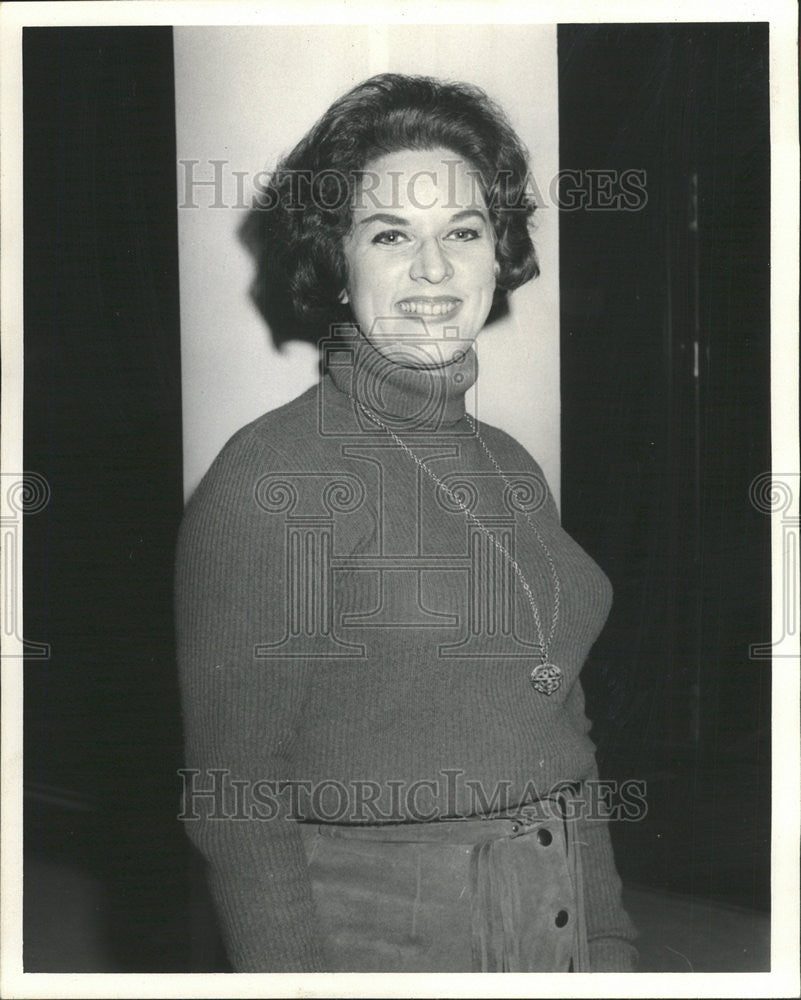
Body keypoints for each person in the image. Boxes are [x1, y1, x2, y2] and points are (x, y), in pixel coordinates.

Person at [175, 73, 638, 973]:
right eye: (391, 235)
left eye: (463, 233)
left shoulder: (507, 461)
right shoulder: (274, 475)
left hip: (556, 908)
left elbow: (560, 722)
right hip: (378, 928)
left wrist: (608, 938)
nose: (434, 271)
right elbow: (233, 796)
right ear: (335, 262)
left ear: (496, 254)